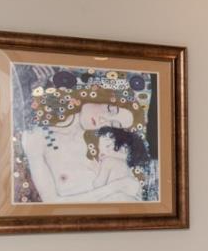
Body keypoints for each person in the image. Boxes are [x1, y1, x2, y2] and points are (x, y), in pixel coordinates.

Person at [15, 71, 152, 204]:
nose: (104, 120)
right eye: (110, 110)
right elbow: (51, 202)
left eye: (113, 123)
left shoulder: (103, 146)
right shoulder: (36, 136)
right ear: (98, 96)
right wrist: (114, 188)